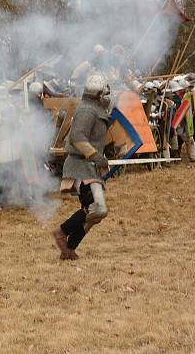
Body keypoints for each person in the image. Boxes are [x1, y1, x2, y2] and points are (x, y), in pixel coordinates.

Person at [52, 74, 111, 260]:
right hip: (81, 166)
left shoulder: (94, 109)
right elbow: (77, 137)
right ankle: (62, 232)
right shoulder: (87, 111)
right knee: (97, 209)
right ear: (99, 94)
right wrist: (95, 155)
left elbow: (93, 138)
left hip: (90, 166)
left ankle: (69, 248)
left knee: (94, 213)